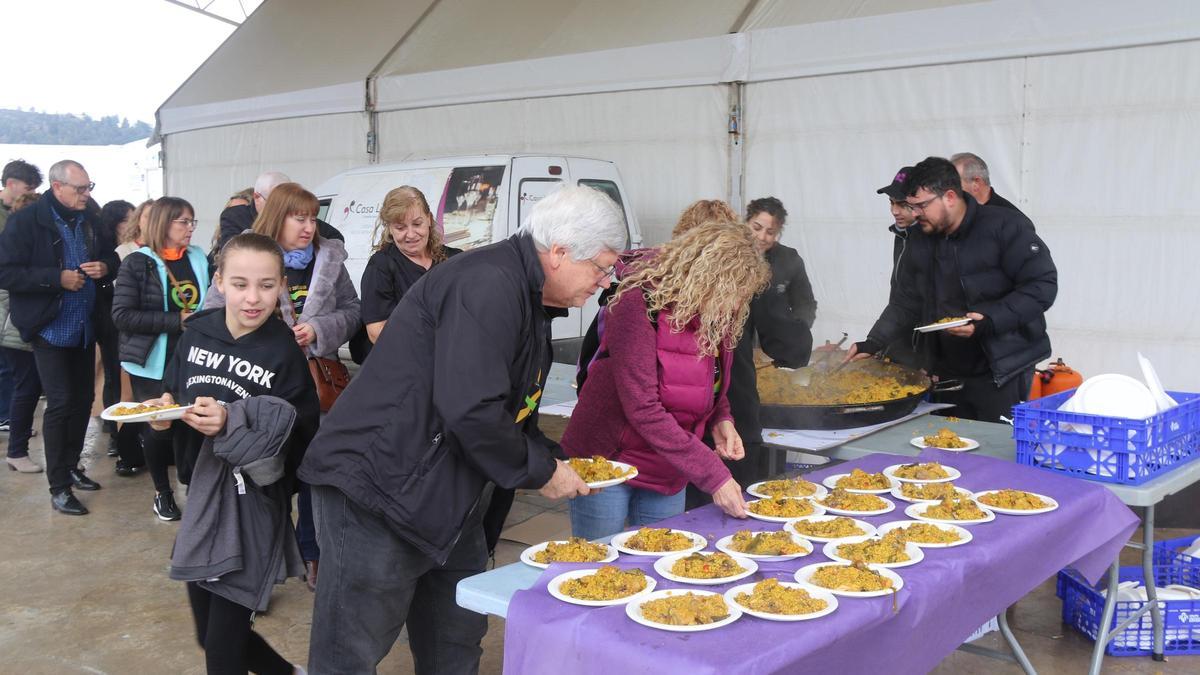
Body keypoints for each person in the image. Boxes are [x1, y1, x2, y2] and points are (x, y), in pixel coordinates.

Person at [299, 185, 625, 674]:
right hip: (380, 491)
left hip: (449, 498)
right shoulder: (489, 284)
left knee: (456, 638)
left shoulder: (526, 296)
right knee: (349, 651)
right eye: (601, 267)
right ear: (559, 253)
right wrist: (540, 472)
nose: (603, 282)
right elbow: (471, 411)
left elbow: (512, 413)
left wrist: (558, 461)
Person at [148, 232, 317, 674]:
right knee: (209, 635)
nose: (253, 298)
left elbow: (300, 434)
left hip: (252, 509)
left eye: (266, 285)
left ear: (282, 285)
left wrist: (233, 423)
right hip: (201, 499)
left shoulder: (283, 353)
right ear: (219, 281)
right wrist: (161, 414)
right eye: (240, 284)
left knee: (221, 653)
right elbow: (174, 392)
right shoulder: (195, 334)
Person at [565, 220, 769, 538]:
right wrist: (714, 476)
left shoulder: (717, 314)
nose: (732, 304)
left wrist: (721, 420)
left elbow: (709, 383)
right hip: (609, 462)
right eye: (728, 290)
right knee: (599, 565)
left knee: (659, 567)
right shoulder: (636, 303)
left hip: (668, 466)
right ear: (703, 275)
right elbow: (644, 408)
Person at [205, 182, 360, 589]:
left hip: (313, 386)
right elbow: (212, 315)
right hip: (256, 385)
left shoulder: (329, 260)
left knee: (314, 472)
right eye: (299, 217)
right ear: (278, 216)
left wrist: (320, 328)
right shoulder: (250, 257)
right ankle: (261, 560)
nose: (309, 226)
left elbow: (352, 310)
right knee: (262, 474)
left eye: (313, 217)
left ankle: (313, 553)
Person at [848, 156, 1058, 422]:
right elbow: (905, 301)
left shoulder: (1005, 225)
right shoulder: (919, 239)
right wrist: (874, 341)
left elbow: (1042, 285)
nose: (914, 214)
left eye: (921, 206)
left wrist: (990, 320)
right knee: (949, 452)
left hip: (1001, 369)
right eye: (911, 207)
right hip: (947, 373)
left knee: (994, 453)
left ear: (949, 196)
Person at [0, 160, 118, 515]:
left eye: (88, 187)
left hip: (84, 325)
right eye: (80, 189)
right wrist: (56, 278)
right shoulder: (26, 221)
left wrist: (106, 267)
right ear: (57, 187)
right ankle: (59, 486)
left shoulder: (90, 219)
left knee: (83, 400)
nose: (86, 194)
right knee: (61, 403)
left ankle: (70, 466)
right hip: (49, 326)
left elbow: (111, 253)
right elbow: (6, 272)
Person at [112, 197, 211, 520]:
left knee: (192, 425)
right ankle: (162, 492)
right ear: (163, 224)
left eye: (192, 222)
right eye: (182, 222)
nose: (189, 229)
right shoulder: (137, 262)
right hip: (152, 362)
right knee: (159, 427)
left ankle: (195, 487)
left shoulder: (198, 257)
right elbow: (123, 316)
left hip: (192, 358)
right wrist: (176, 321)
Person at [359, 185, 461, 344]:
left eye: (417, 224)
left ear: (429, 219)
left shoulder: (454, 259)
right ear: (390, 228)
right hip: (405, 364)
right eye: (400, 227)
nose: (411, 234)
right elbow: (376, 333)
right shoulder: (380, 267)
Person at [1, 185, 43, 473]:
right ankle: (17, 451)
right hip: (16, 332)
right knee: (25, 389)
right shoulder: (15, 246)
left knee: (27, 388)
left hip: (19, 330)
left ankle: (18, 448)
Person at [213, 171, 343, 255]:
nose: (281, 208)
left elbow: (335, 238)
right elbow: (231, 252)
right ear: (257, 197)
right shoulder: (236, 216)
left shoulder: (301, 220)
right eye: (274, 202)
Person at [95, 200, 134, 456]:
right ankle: (114, 430)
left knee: (126, 378)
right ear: (116, 224)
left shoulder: (132, 249)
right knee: (113, 375)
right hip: (109, 322)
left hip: (125, 323)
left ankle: (128, 432)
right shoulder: (107, 252)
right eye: (128, 219)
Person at [875, 166, 923, 367]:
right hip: (900, 342)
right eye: (891, 203)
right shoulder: (902, 234)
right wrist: (880, 341)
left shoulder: (930, 242)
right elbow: (900, 296)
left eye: (902, 204)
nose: (895, 211)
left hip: (922, 349)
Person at [950, 152, 1023, 213]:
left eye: (954, 182)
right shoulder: (953, 212)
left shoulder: (1012, 220)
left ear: (976, 184)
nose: (948, 188)